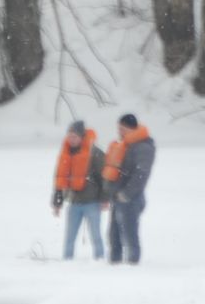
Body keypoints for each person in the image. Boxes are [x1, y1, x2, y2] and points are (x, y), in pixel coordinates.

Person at [103, 113, 155, 265]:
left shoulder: (143, 147)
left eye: (122, 128)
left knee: (129, 235)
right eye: (118, 128)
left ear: (130, 128)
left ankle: (132, 266)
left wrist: (126, 194)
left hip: (131, 198)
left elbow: (141, 174)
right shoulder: (125, 145)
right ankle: (115, 263)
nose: (119, 131)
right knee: (114, 235)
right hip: (117, 197)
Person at [51, 120, 105, 261]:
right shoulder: (66, 154)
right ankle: (67, 261)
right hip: (74, 203)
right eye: (69, 136)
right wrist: (58, 202)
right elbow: (60, 178)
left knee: (96, 235)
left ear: (82, 136)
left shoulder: (95, 153)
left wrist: (104, 199)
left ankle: (100, 260)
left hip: (92, 203)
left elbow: (105, 178)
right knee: (69, 236)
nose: (71, 139)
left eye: (74, 136)